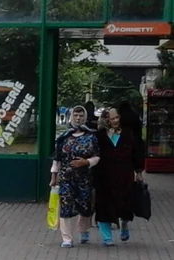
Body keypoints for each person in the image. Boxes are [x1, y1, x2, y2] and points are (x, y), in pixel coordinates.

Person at [92, 107, 145, 246]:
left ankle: (124, 224)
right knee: (103, 206)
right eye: (112, 118)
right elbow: (93, 155)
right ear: (106, 119)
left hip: (124, 175)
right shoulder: (99, 136)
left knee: (125, 205)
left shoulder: (128, 133)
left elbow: (136, 153)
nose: (115, 120)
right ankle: (107, 238)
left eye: (117, 117)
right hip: (104, 176)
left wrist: (139, 172)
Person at [50, 105, 101, 248]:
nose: (78, 119)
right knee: (65, 205)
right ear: (71, 117)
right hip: (66, 178)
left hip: (84, 177)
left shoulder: (91, 136)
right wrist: (54, 176)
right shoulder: (63, 137)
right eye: (75, 116)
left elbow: (97, 156)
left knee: (85, 205)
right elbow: (57, 158)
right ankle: (66, 238)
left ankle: (83, 230)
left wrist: (86, 162)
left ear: (85, 118)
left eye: (81, 116)